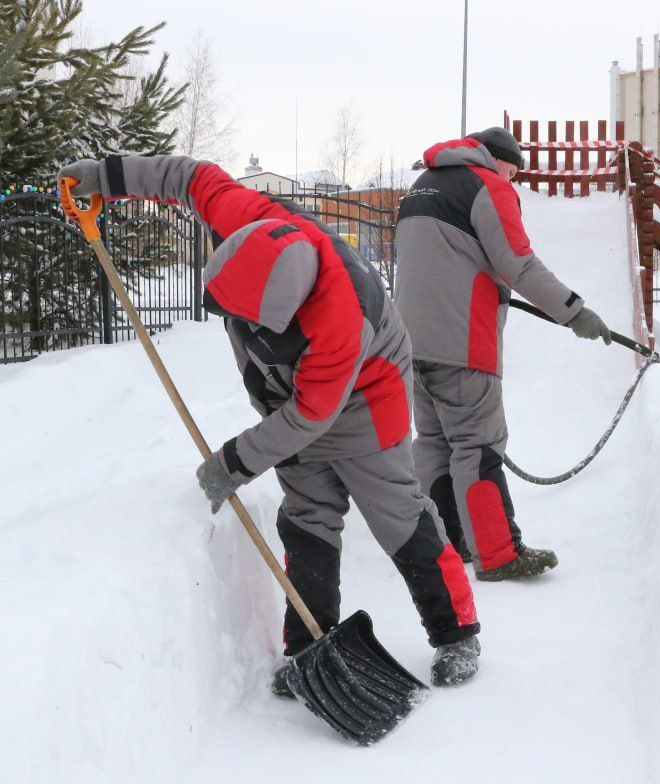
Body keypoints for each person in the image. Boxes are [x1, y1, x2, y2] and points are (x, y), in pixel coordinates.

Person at [58, 154, 481, 688]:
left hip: (367, 399)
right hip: (290, 396)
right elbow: (192, 178)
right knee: (306, 515)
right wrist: (107, 176)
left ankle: (457, 634)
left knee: (398, 516)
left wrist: (234, 462)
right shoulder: (248, 217)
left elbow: (310, 417)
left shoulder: (338, 319)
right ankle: (309, 648)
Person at [394, 127, 613, 582]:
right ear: (497, 160)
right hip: (463, 341)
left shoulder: (422, 187)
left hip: (412, 341)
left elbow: (448, 259)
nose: (513, 182)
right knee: (477, 445)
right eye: (513, 172)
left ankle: (449, 542)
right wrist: (574, 311)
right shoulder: (486, 184)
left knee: (435, 444)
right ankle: (498, 553)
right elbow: (519, 263)